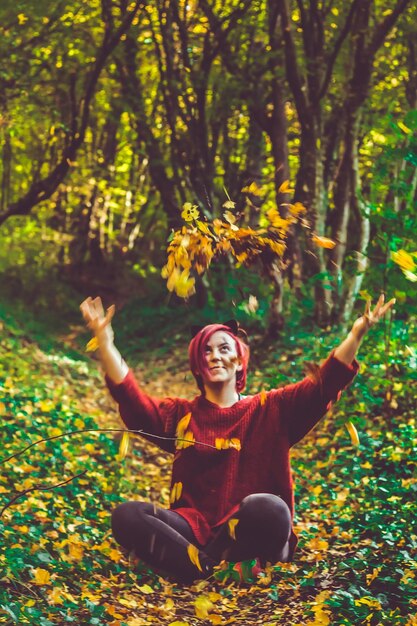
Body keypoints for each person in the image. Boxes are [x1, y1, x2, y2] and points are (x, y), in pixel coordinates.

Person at [80, 295, 395, 584]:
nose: (214, 356)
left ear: (240, 361)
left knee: (271, 508)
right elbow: (134, 402)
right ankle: (210, 567)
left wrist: (356, 333)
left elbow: (323, 386)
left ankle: (191, 563)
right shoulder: (181, 415)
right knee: (127, 516)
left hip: (251, 525)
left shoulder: (271, 407)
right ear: (197, 366)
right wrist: (105, 342)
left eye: (223, 348)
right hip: (193, 530)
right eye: (206, 350)